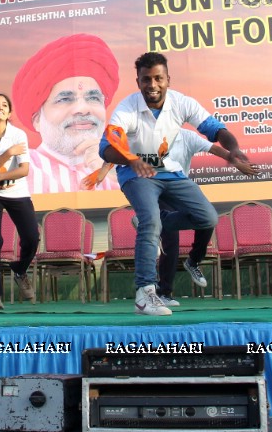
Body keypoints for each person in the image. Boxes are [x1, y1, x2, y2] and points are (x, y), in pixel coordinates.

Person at [101, 52, 250, 316]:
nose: (153, 85)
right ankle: (145, 293)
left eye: (158, 78)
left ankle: (149, 224)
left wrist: (234, 150)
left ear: (168, 79)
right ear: (138, 82)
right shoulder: (126, 108)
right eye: (146, 79)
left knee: (207, 218)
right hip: (138, 175)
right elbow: (106, 148)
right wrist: (132, 159)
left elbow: (216, 129)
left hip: (171, 173)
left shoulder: (181, 103)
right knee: (152, 221)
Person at [156, 128, 256, 305]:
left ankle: (193, 261)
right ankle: (164, 292)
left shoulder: (186, 136)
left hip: (180, 190)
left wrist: (237, 163)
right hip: (158, 192)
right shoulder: (150, 135)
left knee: (206, 219)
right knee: (170, 240)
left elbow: (214, 148)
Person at [12, 34, 120, 194]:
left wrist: (115, 174)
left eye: (93, 97)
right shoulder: (10, 168)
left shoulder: (125, 169)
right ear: (37, 120)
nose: (83, 109)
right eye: (65, 99)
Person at [0, 93, 39, 310]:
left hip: (17, 192)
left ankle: (20, 269)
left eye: (4, 105)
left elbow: (24, 169)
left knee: (31, 236)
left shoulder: (19, 134)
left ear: (9, 112)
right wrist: (7, 153)